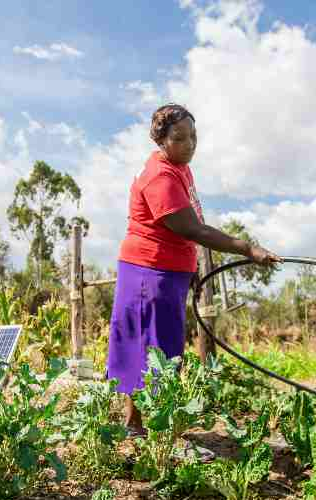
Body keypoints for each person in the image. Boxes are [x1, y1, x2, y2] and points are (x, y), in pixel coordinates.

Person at [107, 103, 281, 438]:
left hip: (167, 271)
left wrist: (192, 269)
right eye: (180, 138)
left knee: (164, 347)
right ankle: (136, 426)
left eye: (193, 135)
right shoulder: (160, 176)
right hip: (148, 271)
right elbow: (194, 230)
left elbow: (190, 230)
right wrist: (247, 248)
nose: (190, 144)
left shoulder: (180, 167)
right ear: (162, 141)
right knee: (147, 348)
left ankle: (154, 424)